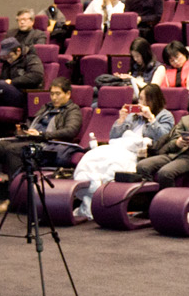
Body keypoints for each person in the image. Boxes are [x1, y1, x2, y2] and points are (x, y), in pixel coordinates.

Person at [0, 77, 84, 212]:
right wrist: (23, 129)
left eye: (58, 94)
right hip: (28, 141)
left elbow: (70, 131)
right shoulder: (46, 107)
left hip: (47, 147)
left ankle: (13, 199)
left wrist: (41, 135)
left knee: (13, 151)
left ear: (68, 94)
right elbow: (32, 123)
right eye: (52, 94)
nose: (54, 98)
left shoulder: (73, 110)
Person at [70, 85, 174, 219]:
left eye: (142, 100)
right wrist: (121, 120)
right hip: (119, 145)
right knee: (92, 158)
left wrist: (151, 118)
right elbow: (114, 137)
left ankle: (102, 198)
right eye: (138, 100)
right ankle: (88, 187)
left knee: (113, 164)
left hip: (139, 150)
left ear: (152, 100)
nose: (139, 104)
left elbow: (164, 138)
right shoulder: (133, 115)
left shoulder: (165, 116)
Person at [0, 9, 47, 87]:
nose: (21, 22)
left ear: (32, 21)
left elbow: (38, 50)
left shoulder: (39, 34)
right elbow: (4, 48)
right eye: (19, 20)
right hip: (6, 60)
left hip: (23, 62)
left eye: (24, 19)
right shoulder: (11, 33)